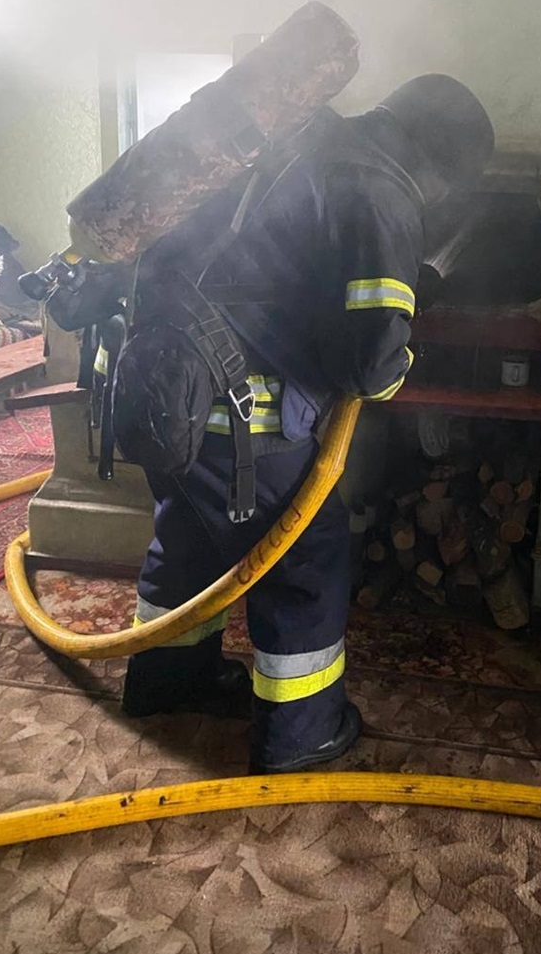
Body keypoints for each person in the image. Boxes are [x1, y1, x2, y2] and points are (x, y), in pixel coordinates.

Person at [119, 74, 495, 773]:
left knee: (189, 544)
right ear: (437, 160)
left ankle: (166, 682)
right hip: (251, 428)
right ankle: (302, 732)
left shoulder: (299, 140)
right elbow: (370, 365)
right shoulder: (378, 188)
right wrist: (404, 357)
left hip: (169, 402)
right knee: (303, 566)